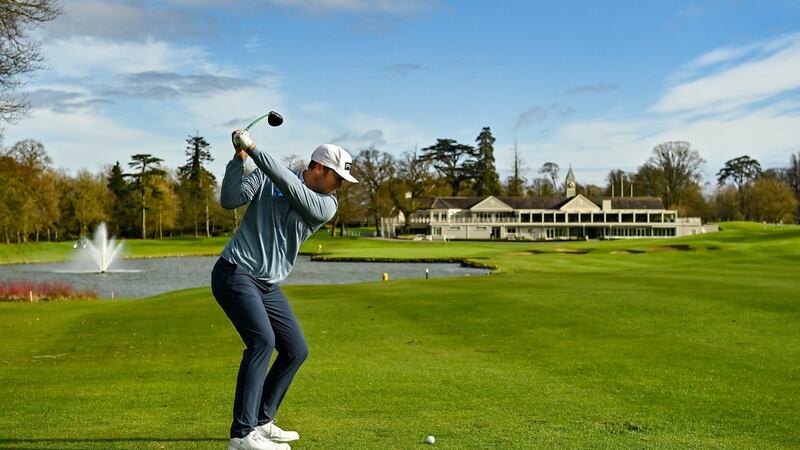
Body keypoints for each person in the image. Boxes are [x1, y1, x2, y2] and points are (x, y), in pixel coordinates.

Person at [212, 129, 358, 450]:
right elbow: (230, 200)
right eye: (337, 178)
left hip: (267, 284)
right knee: (262, 342)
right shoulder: (268, 177)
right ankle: (242, 434)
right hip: (235, 272)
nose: (339, 185)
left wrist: (254, 149)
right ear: (319, 168)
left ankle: (262, 421)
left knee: (295, 350)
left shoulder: (326, 205)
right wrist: (239, 159)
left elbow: (288, 185)